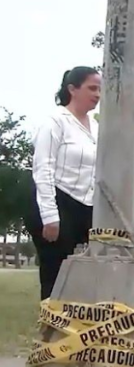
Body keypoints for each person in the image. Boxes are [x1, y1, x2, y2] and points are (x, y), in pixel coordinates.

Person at [26, 67, 100, 301]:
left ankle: (77, 334)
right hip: (58, 201)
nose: (97, 94)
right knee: (55, 277)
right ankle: (52, 332)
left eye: (100, 89)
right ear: (72, 89)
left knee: (83, 278)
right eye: (91, 88)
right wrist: (50, 216)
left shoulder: (97, 127)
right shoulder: (55, 122)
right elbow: (43, 168)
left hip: (86, 205)